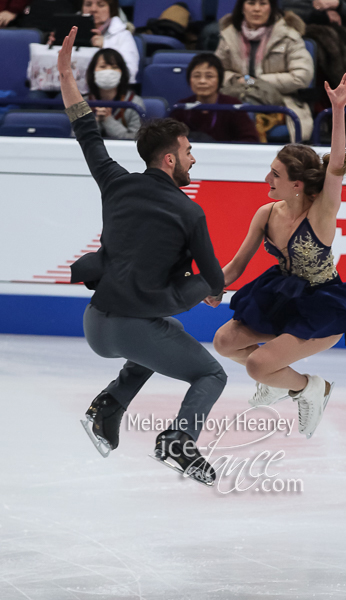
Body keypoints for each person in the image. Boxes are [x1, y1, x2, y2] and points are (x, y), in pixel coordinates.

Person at [58, 27, 227, 485]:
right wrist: (210, 290)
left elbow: (86, 131)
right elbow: (214, 277)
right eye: (189, 152)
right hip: (133, 329)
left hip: (96, 324)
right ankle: (179, 441)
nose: (194, 159)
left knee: (165, 331)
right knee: (211, 374)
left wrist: (65, 75)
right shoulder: (189, 211)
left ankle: (108, 407)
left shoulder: (115, 181)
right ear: (169, 159)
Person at [208, 72, 346, 440]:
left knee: (257, 365)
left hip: (322, 304)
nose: (268, 177)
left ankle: (313, 388)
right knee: (224, 342)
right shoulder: (266, 214)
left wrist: (339, 110)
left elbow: (336, 167)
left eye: (275, 174)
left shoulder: (322, 212)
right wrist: (212, 285)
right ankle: (283, 383)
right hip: (280, 295)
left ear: (297, 184)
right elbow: (235, 266)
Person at [215, 0, 314, 142]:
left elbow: (301, 76)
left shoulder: (288, 35)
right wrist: (237, 80)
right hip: (237, 95)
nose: (257, 9)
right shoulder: (228, 35)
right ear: (242, 8)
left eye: (263, 3)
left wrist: (255, 81)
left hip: (280, 102)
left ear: (271, 8)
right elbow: (217, 72)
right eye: (251, 3)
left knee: (245, 111)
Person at [170, 53, 260, 144]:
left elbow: (250, 140)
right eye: (196, 76)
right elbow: (169, 141)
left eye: (209, 76)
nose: (202, 81)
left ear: (219, 79)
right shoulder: (181, 107)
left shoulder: (232, 106)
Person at [85, 48, 145, 139]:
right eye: (103, 67)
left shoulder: (135, 102)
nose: (108, 72)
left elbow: (135, 139)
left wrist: (108, 120)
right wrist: (95, 121)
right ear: (93, 71)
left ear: (122, 73)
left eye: (114, 67)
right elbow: (75, 137)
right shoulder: (82, 102)